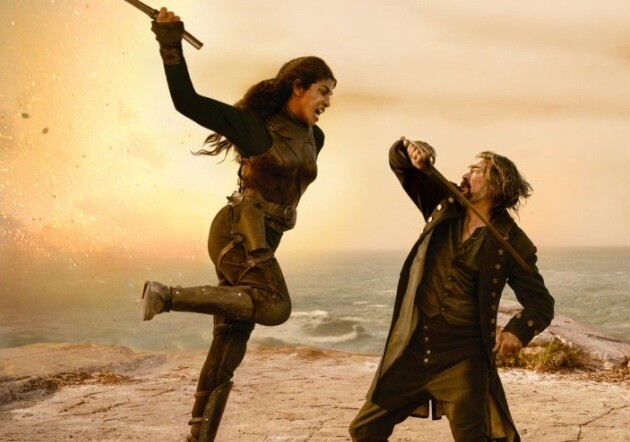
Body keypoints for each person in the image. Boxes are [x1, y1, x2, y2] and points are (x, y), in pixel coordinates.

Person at [139, 7, 336, 442]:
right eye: (323, 91)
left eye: (331, 94)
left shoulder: (315, 138)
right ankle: (167, 295)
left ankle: (198, 435)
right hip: (236, 233)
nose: (328, 102)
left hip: (265, 239)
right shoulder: (255, 129)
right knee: (275, 307)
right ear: (298, 86)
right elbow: (186, 102)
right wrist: (169, 42)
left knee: (231, 342)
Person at [349, 139, 554, 441]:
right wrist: (413, 152)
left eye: (476, 170)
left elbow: (541, 303)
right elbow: (401, 166)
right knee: (364, 430)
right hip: (414, 350)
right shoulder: (443, 204)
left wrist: (518, 331)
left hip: (464, 358)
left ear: (496, 185)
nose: (466, 174)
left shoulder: (511, 241)